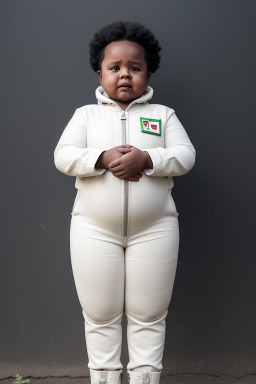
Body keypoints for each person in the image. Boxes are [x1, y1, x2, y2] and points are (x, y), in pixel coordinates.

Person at [54, 21, 196, 384]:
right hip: (92, 228)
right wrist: (101, 158)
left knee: (149, 313)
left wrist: (147, 160)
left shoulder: (162, 115)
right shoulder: (85, 116)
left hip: (156, 227)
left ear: (149, 72)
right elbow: (63, 155)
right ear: (99, 71)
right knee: (100, 314)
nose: (124, 75)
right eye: (114, 67)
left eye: (135, 68)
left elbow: (185, 155)